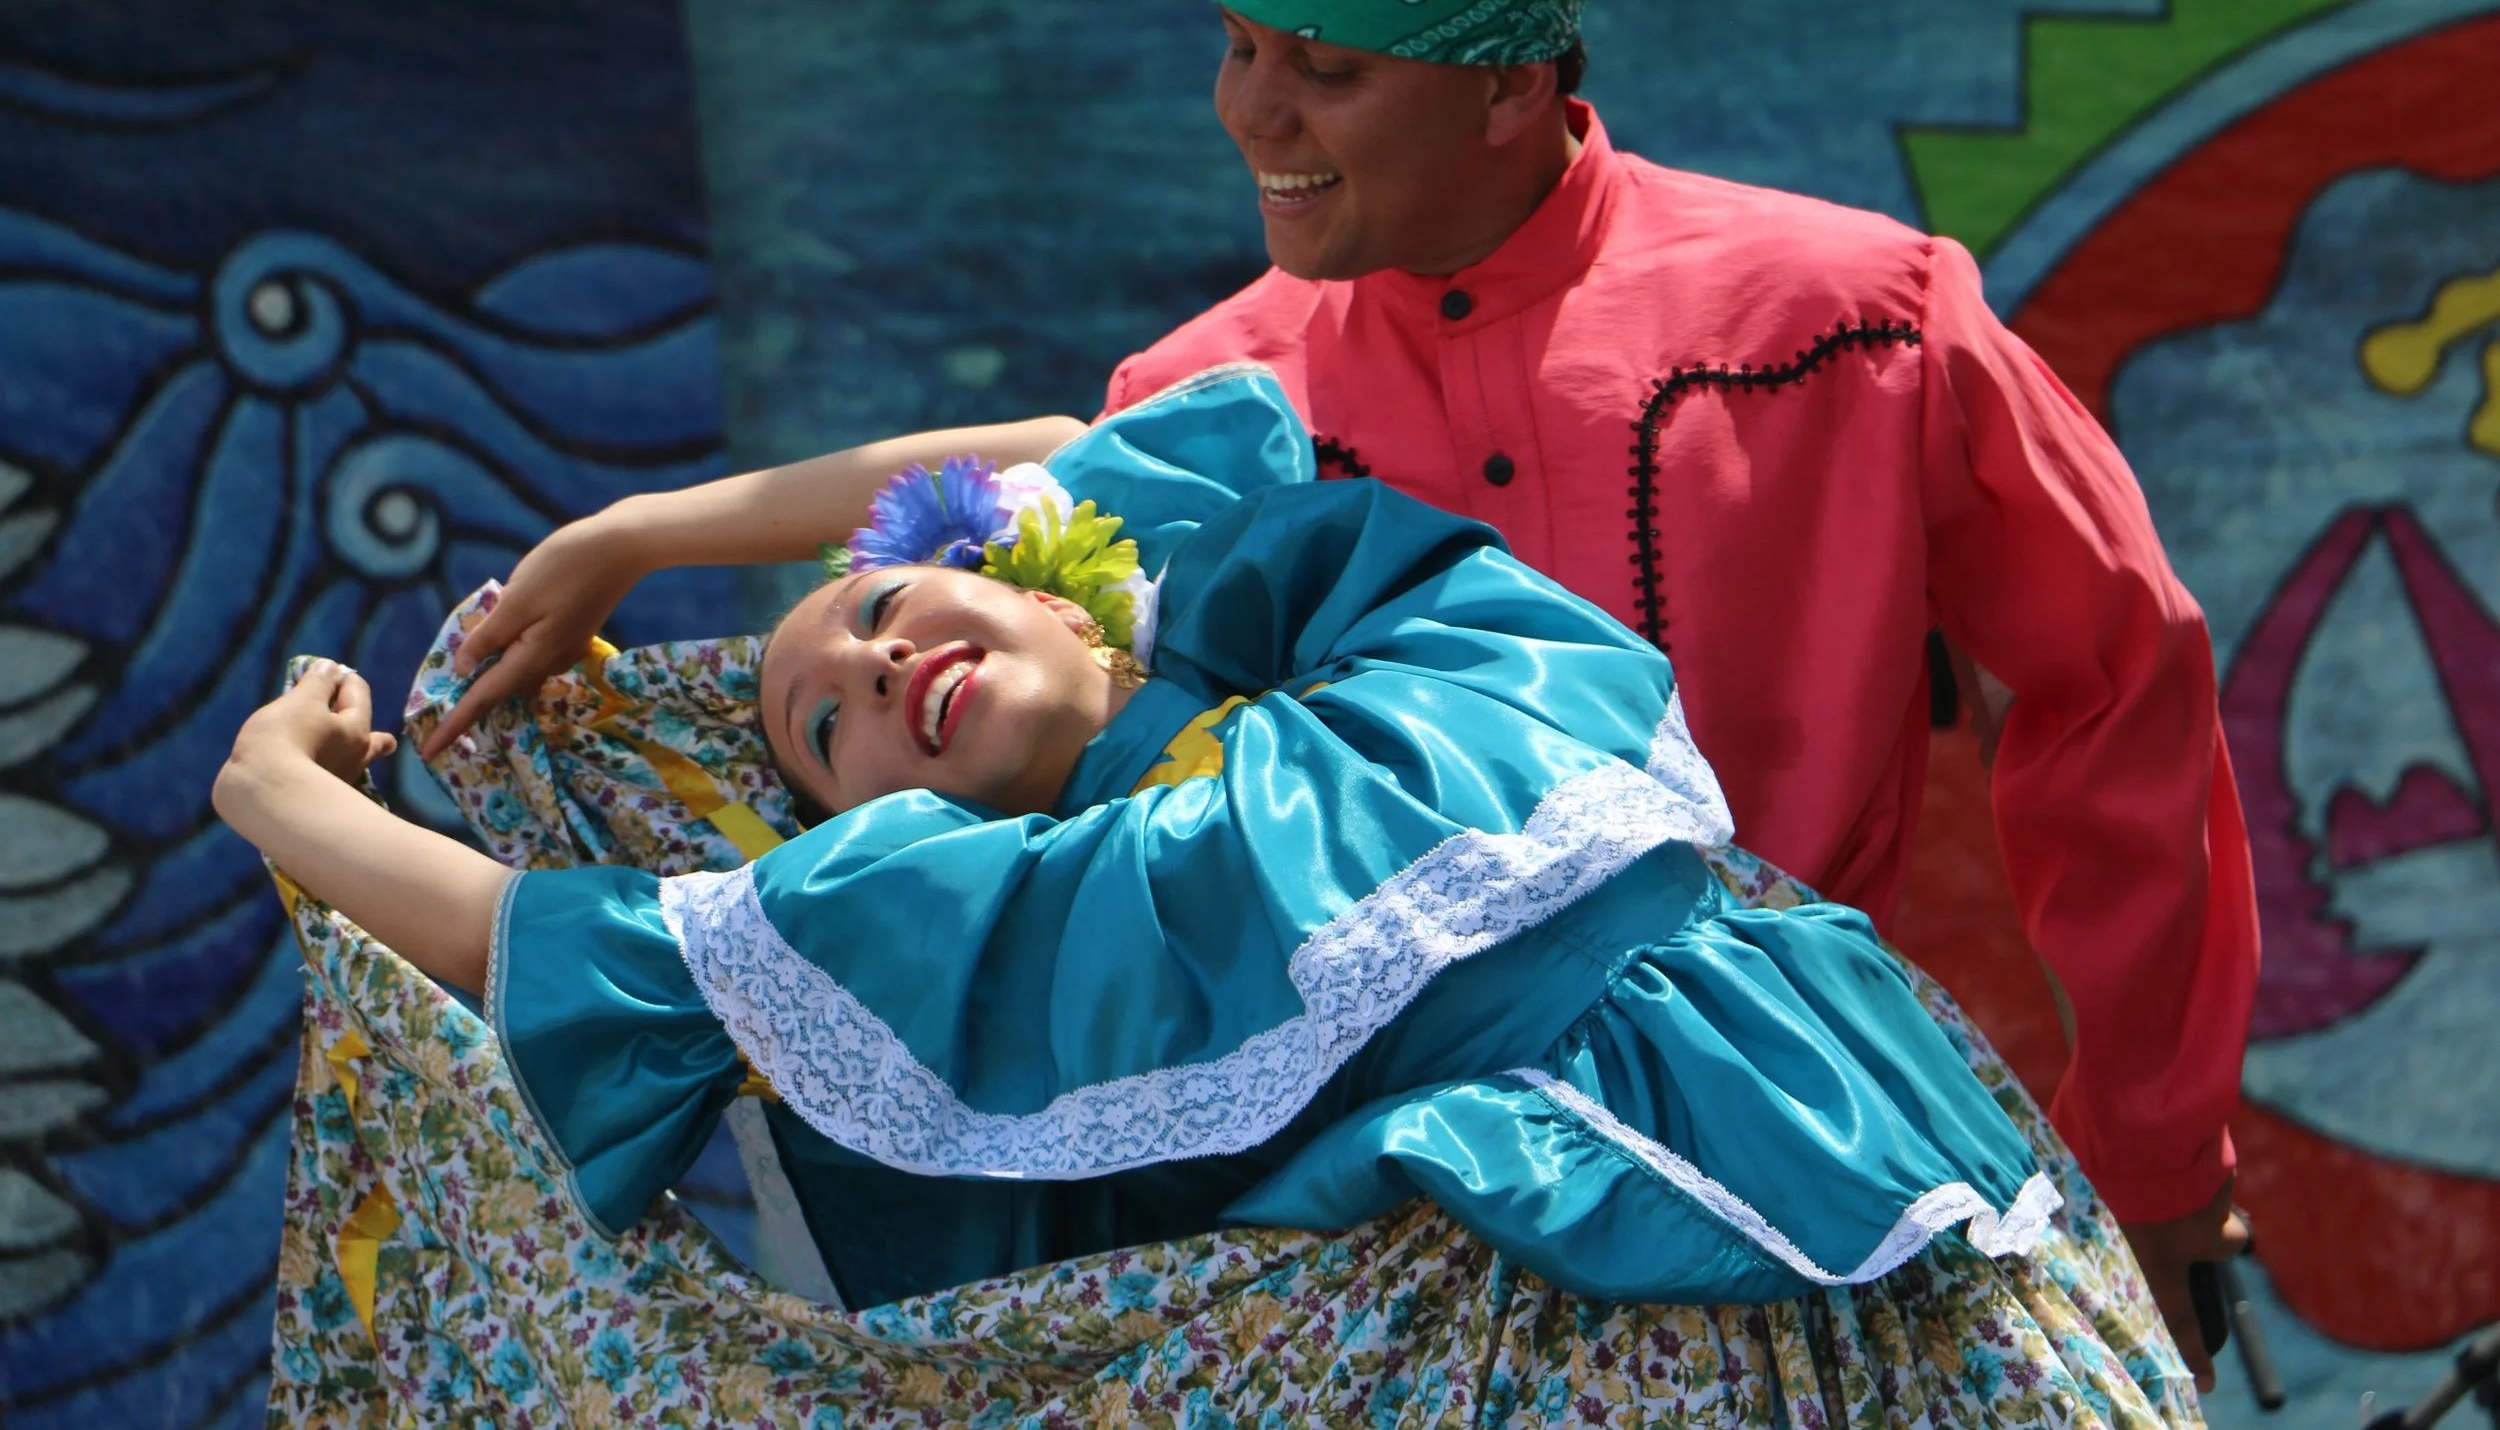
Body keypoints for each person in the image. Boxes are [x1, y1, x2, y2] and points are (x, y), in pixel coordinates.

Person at [419, 0, 2259, 1382]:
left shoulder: (1854, 323)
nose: (1251, 117)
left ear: (1511, 76)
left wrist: (2158, 1145)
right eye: (1236, 47)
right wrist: (631, 534)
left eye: (1327, 68)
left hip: (1790, 1149)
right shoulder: (1207, 411)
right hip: (1362, 1283)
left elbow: (2119, 691)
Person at [234, 370, 2191, 1425]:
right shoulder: (1005, 905)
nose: (869, 669)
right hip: (1563, 1299)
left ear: (1039, 571)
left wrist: (642, 529)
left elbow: (1071, 452)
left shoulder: (1313, 620)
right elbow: (546, 941)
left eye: (895, 599)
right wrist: (269, 785)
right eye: (825, 729)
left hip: (1867, 1149)